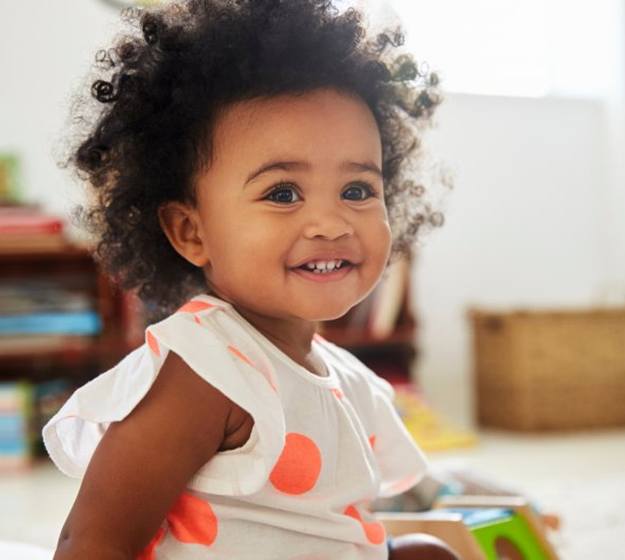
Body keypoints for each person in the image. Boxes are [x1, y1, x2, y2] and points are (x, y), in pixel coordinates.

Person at [43, 1, 457, 558]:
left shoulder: (345, 377)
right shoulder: (205, 369)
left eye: (357, 190)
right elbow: (93, 541)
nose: (331, 223)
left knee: (428, 551)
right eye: (282, 193)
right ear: (191, 231)